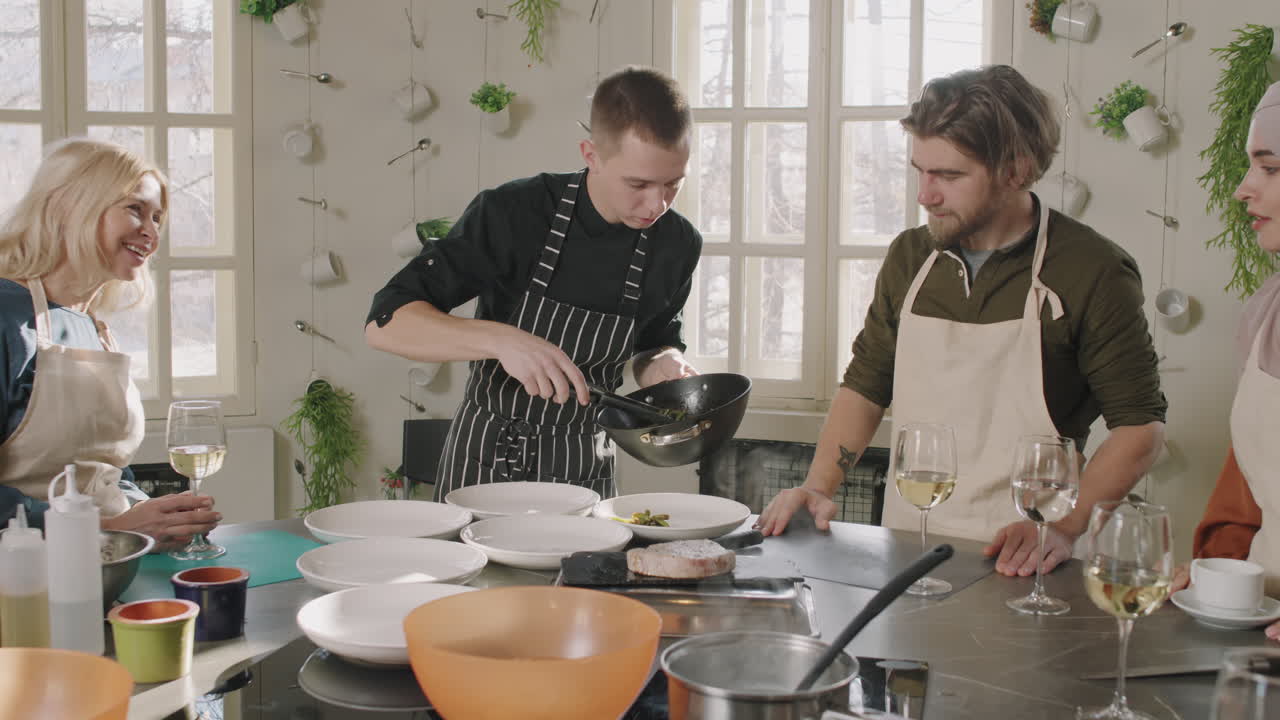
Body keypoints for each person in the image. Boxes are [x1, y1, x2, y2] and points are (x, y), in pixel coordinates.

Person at [756, 65, 1167, 577]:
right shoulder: (911, 257)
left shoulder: (1092, 270)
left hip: (1030, 561)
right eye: (920, 171)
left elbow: (1139, 429)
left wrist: (1066, 525)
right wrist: (818, 488)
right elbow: (864, 387)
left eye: (948, 176)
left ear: (1015, 171)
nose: (925, 195)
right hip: (909, 551)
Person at [366, 66, 701, 501]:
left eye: (673, 183)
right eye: (638, 183)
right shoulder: (514, 213)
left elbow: (652, 342)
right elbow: (385, 323)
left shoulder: (677, 243)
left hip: (585, 465)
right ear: (591, 155)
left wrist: (665, 364)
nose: (657, 204)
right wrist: (502, 341)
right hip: (485, 460)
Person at [0, 138, 220, 550]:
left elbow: (106, 474)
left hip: (107, 562)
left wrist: (156, 516)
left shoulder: (95, 329)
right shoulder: (6, 316)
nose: (151, 233)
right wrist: (114, 526)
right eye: (135, 209)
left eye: (157, 218)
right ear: (71, 205)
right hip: (26, 573)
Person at [1170, 81, 1280, 640]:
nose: (1243, 190)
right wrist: (1217, 575)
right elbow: (1248, 494)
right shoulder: (1266, 314)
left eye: (1270, 167)